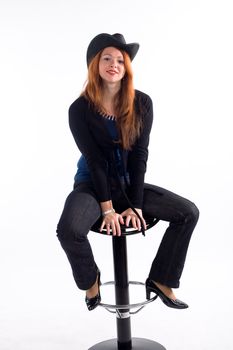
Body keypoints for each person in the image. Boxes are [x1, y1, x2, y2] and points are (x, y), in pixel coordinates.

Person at [56, 33, 199, 311]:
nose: (114, 64)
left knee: (188, 212)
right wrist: (107, 209)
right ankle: (91, 280)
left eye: (120, 60)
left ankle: (161, 278)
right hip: (92, 187)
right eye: (107, 58)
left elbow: (139, 157)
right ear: (95, 64)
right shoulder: (79, 109)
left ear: (127, 67)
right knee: (68, 230)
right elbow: (95, 160)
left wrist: (134, 204)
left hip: (129, 184)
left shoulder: (142, 103)